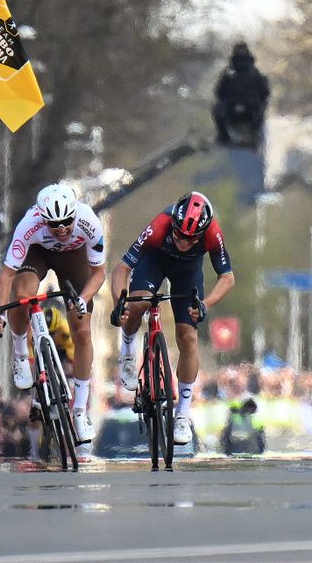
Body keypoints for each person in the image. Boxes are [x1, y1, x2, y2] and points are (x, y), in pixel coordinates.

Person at [111, 190, 236, 446]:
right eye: (178, 234)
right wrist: (120, 303)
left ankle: (182, 415)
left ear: (202, 234)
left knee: (188, 336)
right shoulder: (160, 225)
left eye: (191, 239)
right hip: (154, 262)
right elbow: (122, 268)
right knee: (140, 303)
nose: (182, 241)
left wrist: (205, 304)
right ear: (174, 224)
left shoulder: (213, 233)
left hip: (187, 273)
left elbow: (227, 277)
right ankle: (127, 351)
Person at [0, 182, 107, 443]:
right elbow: (7, 273)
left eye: (67, 221)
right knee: (23, 295)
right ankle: (21, 354)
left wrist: (83, 299)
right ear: (42, 219)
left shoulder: (89, 222)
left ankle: (79, 411)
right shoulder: (28, 224)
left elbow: (99, 272)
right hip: (37, 254)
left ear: (75, 214)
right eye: (54, 224)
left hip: (73, 258)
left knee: (83, 330)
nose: (62, 229)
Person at [212, 41, 269, 147]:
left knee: (260, 112)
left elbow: (264, 92)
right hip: (235, 105)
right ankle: (224, 136)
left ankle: (226, 137)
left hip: (248, 105)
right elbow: (219, 91)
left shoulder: (252, 73)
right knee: (218, 109)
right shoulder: (230, 73)